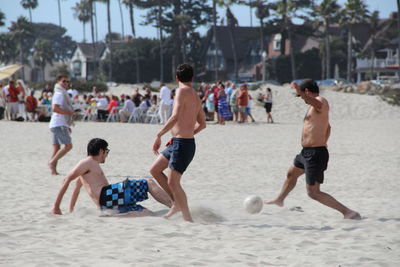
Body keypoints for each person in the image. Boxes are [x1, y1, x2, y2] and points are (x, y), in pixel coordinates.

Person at [265, 79, 360, 220]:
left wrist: (300, 93)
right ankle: (280, 199)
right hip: (306, 152)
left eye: (302, 96)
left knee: (313, 192)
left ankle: (348, 212)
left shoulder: (320, 101)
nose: (302, 99)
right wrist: (323, 141)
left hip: (315, 153)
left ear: (307, 92)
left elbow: (318, 104)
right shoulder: (312, 108)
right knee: (291, 174)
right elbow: (328, 127)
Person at [51, 138, 172, 216]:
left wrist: (71, 211)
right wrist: (56, 207)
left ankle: (173, 211)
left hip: (107, 203)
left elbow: (76, 189)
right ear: (101, 151)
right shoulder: (87, 163)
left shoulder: (88, 168)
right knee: (148, 182)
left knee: (144, 212)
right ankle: (175, 206)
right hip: (107, 196)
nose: (106, 155)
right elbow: (66, 180)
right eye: (106, 152)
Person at [149, 63, 206, 222]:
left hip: (182, 145)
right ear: (192, 78)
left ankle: (187, 218)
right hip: (179, 143)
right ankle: (176, 204)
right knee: (155, 170)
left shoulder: (181, 91)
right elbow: (203, 124)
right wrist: (186, 134)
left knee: (173, 182)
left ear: (176, 78)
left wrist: (159, 134)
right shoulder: (195, 95)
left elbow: (174, 117)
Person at [48, 75, 76, 175]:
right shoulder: (60, 93)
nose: (66, 83)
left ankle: (53, 170)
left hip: (56, 123)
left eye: (67, 81)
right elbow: (55, 109)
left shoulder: (60, 93)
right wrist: (70, 113)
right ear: (58, 81)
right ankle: (51, 163)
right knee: (68, 146)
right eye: (64, 81)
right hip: (58, 123)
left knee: (56, 147)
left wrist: (67, 125)